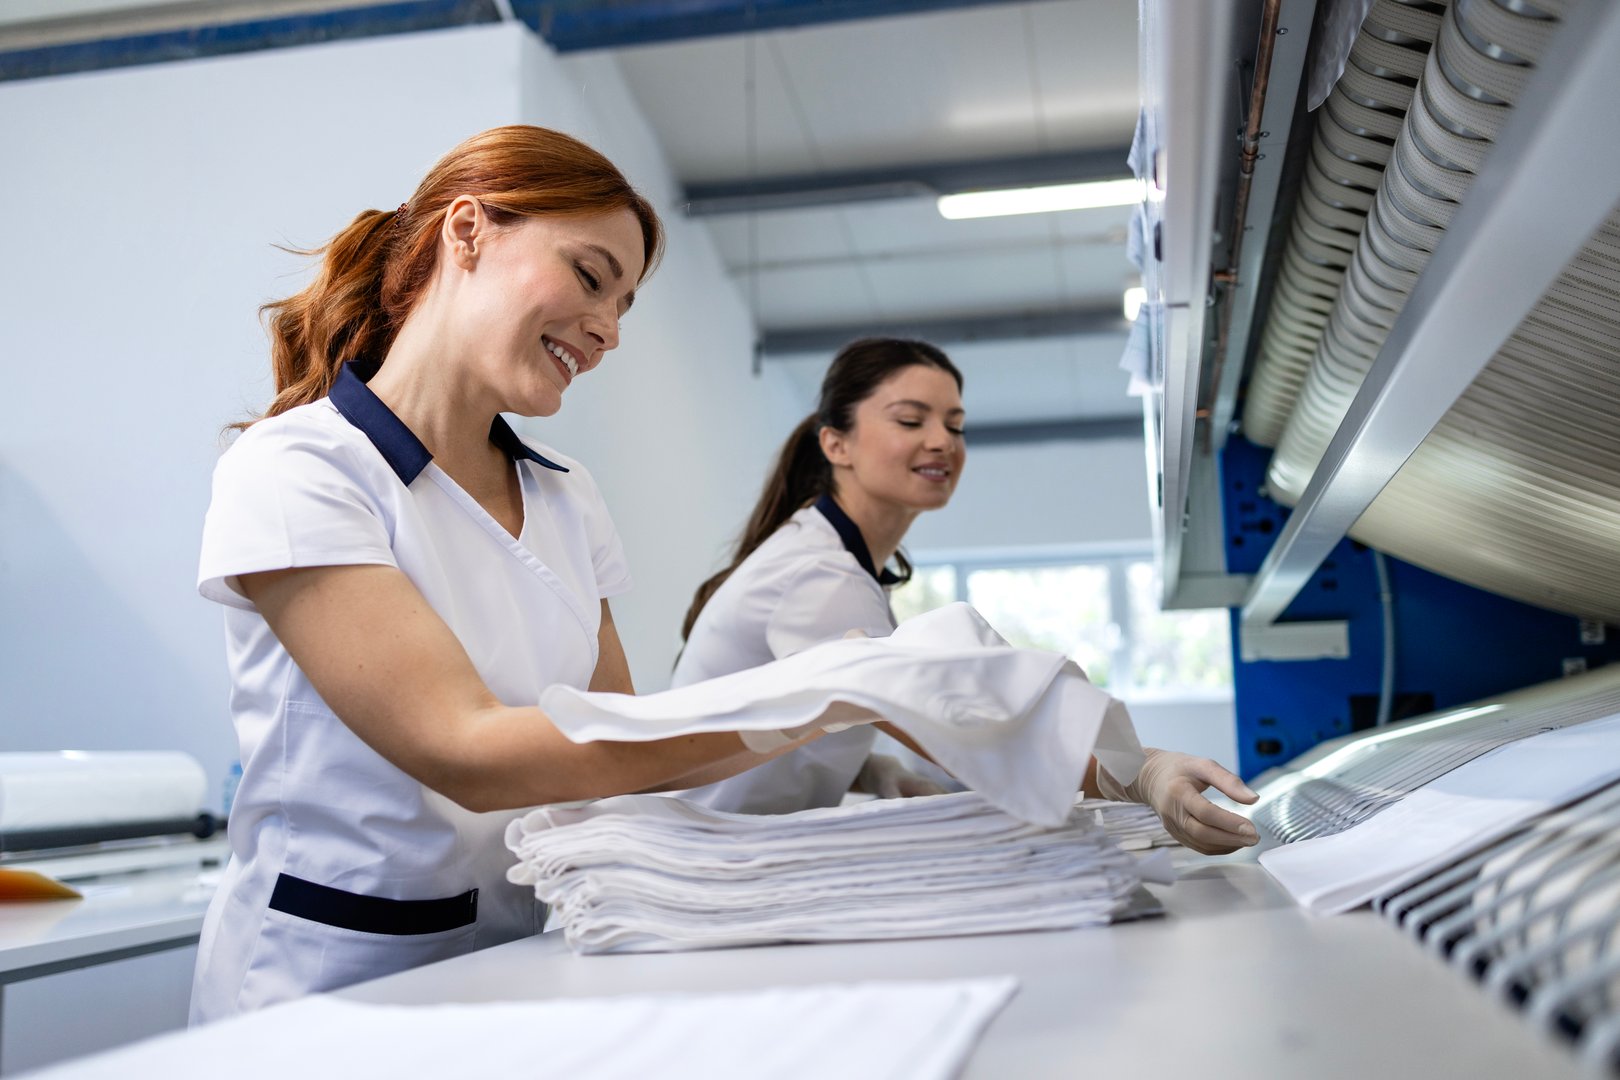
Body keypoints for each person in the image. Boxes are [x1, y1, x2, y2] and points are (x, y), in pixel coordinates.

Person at [190, 126, 874, 1023]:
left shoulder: (565, 494)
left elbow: (623, 749)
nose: (609, 330)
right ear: (467, 231)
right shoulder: (301, 468)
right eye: (592, 278)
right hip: (331, 983)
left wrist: (852, 707)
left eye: (625, 305)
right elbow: (463, 750)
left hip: (524, 961)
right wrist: (826, 695)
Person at [674, 340, 1260, 854]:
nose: (942, 442)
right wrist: (1138, 772)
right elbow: (947, 723)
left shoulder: (839, 565)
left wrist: (871, 771)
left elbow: (809, 712)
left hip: (735, 844)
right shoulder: (819, 575)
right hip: (703, 857)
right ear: (836, 444)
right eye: (911, 421)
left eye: (954, 425)